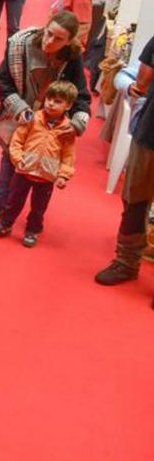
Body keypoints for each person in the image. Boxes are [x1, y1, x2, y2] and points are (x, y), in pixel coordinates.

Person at [0, 13, 89, 225]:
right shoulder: (20, 44)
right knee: (10, 157)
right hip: (19, 112)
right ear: (45, 27)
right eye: (49, 34)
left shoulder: (73, 57)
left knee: (40, 178)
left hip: (49, 124)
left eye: (58, 39)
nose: (50, 41)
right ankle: (2, 205)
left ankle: (34, 218)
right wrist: (20, 109)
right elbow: (4, 82)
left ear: (69, 41)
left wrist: (77, 123)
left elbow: (81, 94)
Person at [94, 33, 154, 294]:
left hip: (150, 132)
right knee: (135, 200)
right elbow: (140, 80)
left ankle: (126, 262)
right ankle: (126, 262)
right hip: (150, 133)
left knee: (135, 199)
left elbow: (144, 79)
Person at [0, 80, 79, 247]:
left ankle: (33, 230)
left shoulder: (67, 130)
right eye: (49, 99)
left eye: (58, 101)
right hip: (24, 170)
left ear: (68, 105)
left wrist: (63, 175)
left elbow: (68, 155)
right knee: (13, 201)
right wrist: (17, 157)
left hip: (46, 176)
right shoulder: (32, 118)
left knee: (39, 208)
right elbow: (17, 139)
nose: (51, 103)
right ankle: (5, 225)